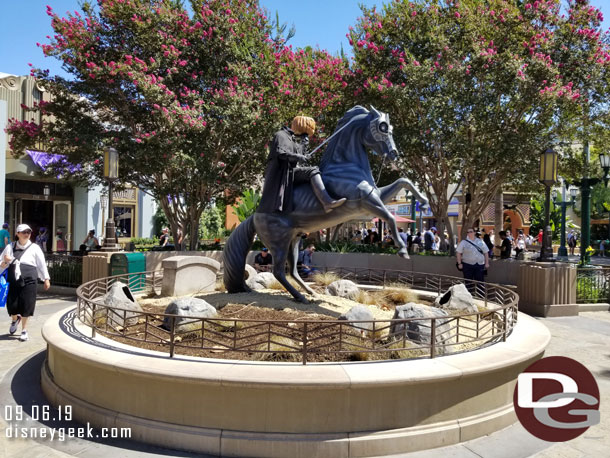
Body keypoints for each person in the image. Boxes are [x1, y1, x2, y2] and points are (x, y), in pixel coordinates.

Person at [257, 116, 346, 214]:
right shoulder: (281, 135)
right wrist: (299, 157)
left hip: (291, 172)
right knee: (312, 170)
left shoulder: (292, 139)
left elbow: (300, 153)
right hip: (284, 173)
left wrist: (305, 141)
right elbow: (281, 153)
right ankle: (327, 202)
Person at [1, 224, 51, 342]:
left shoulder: (35, 247)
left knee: (27, 304)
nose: (26, 234)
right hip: (13, 279)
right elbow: (1, 264)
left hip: (30, 279)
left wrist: (46, 279)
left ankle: (24, 330)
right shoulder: (10, 247)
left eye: (28, 232)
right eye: (23, 232)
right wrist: (6, 261)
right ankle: (15, 319)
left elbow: (41, 264)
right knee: (12, 305)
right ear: (17, 234)